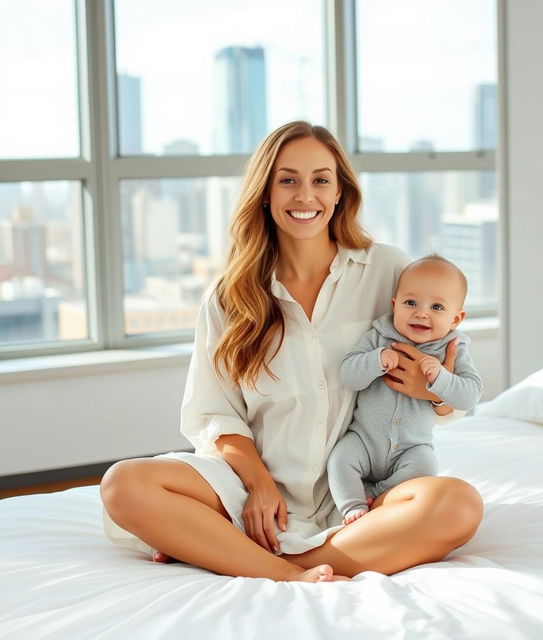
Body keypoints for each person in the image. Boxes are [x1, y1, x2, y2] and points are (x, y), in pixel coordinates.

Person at [100, 121, 483, 583]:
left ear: (340, 192)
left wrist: (433, 391)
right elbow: (213, 414)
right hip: (251, 491)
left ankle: (235, 554)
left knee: (458, 505)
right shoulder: (229, 296)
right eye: (288, 180)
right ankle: (282, 569)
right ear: (265, 192)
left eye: (321, 180)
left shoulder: (387, 269)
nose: (306, 196)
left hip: (360, 493)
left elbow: (448, 380)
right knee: (124, 484)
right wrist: (259, 487)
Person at [327, 255, 483, 524]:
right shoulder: (379, 334)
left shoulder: (453, 348)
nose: (421, 313)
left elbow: (470, 395)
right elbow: (348, 375)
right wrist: (375, 360)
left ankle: (376, 497)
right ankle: (352, 505)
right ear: (395, 304)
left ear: (456, 318)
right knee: (340, 459)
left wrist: (441, 380)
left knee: (426, 468)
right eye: (411, 303)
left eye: (437, 307)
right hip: (364, 439)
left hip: (412, 447)